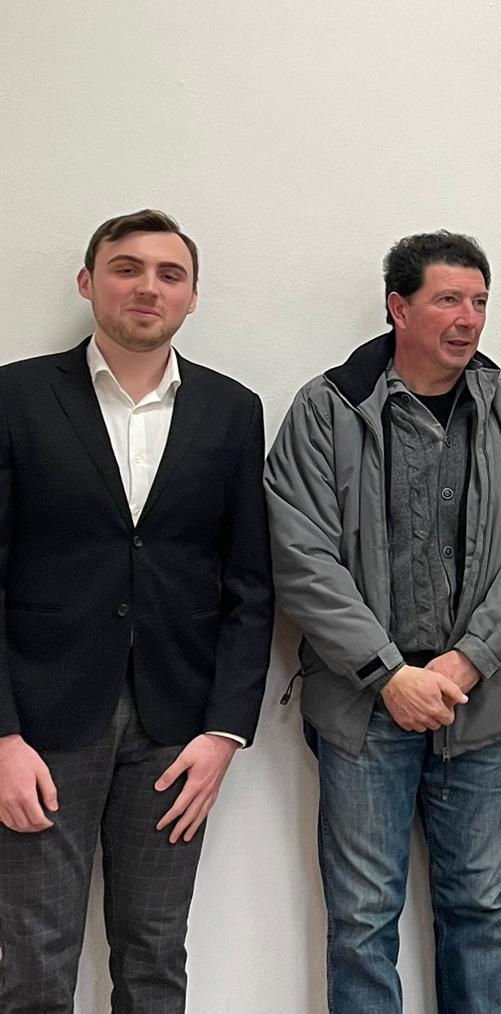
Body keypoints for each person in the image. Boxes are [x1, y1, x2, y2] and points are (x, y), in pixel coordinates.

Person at [264, 231, 501, 1013]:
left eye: (479, 302)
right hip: (365, 708)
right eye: (448, 300)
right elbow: (299, 556)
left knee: (481, 913)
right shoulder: (326, 410)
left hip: (481, 702)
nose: (468, 318)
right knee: (362, 921)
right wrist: (387, 673)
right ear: (398, 308)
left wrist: (468, 659)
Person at [0, 210, 273, 1012]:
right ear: (88, 283)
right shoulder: (14, 396)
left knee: (155, 958)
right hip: (41, 727)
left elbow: (249, 584)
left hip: (176, 730)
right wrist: (2, 735)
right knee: (36, 962)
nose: (147, 287)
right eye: (126, 268)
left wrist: (225, 733)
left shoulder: (231, 409)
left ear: (192, 296)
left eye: (169, 273)